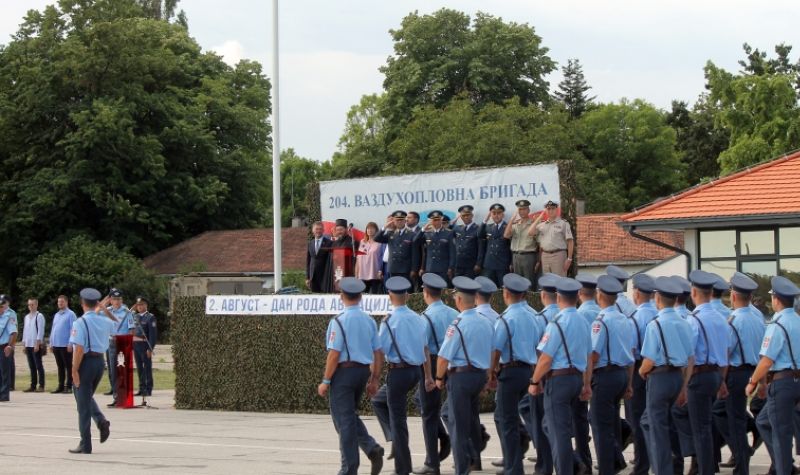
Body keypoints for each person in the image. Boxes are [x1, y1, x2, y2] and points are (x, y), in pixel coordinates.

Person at [318, 277, 385, 475]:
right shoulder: (369, 320)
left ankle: (349, 468)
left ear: (341, 296)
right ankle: (371, 448)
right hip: (362, 372)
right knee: (347, 416)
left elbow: (334, 354)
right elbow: (378, 352)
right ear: (361, 296)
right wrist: (374, 379)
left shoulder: (338, 321)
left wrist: (325, 380)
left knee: (344, 421)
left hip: (344, 374)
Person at [529, 276, 592, 475]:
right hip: (576, 378)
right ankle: (576, 463)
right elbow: (589, 357)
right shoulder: (583, 321)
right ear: (577, 296)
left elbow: (546, 359)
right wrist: (586, 383)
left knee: (559, 434)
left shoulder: (557, 322)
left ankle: (567, 469)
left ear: (558, 297)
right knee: (553, 425)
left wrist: (534, 380)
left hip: (559, 380)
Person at [672, 270, 729, 475]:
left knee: (700, 430)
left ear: (694, 292)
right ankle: (709, 466)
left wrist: (683, 386)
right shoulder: (721, 318)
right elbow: (725, 353)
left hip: (699, 376)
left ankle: (705, 470)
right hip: (714, 374)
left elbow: (689, 356)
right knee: (706, 424)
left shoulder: (693, 319)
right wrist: (721, 380)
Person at [435, 276, 494, 474]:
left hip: (461, 377)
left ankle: (462, 468)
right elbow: (491, 352)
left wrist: (438, 378)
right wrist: (487, 377)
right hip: (479, 376)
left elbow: (443, 358)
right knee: (470, 419)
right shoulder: (485, 322)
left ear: (459, 300)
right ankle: (473, 456)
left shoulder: (457, 325)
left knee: (458, 425)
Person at [638, 277, 695, 475]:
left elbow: (649, 360)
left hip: (660, 377)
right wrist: (684, 387)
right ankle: (676, 464)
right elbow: (690, 359)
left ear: (658, 298)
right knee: (665, 422)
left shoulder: (656, 324)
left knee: (657, 428)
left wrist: (641, 371)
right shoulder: (685, 322)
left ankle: (663, 469)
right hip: (677, 377)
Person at [712, 272, 764, 475]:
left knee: (734, 421)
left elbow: (726, 352)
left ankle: (742, 461)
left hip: (736, 372)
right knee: (727, 413)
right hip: (752, 370)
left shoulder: (734, 321)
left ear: (733, 296)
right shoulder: (758, 317)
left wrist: (721, 380)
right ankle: (746, 443)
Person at [378, 276, 431, 475]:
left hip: (398, 372)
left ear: (390, 296)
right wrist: (427, 376)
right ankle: (395, 442)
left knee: (398, 420)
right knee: (381, 401)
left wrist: (373, 376)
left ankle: (402, 467)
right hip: (415, 371)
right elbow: (425, 349)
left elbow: (380, 350)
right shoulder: (418, 318)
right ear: (407, 296)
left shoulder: (389, 321)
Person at [489, 273, 540, 475]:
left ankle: (513, 467)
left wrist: (491, 373)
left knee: (506, 420)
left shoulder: (506, 318)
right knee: (528, 414)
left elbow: (496, 349)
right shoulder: (533, 316)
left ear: (506, 293)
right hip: (528, 370)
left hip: (509, 372)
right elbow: (538, 347)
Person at [748, 276, 800, 475]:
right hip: (796, 381)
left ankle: (784, 469)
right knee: (764, 421)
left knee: (781, 434)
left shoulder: (777, 324)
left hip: (782, 382)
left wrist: (753, 382)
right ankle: (784, 465)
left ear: (776, 299)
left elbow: (767, 360)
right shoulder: (797, 321)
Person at [588, 275, 635, 475]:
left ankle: (608, 468)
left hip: (605, 375)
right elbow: (631, 354)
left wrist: (586, 381)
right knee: (612, 421)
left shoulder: (601, 321)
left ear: (599, 295)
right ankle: (615, 460)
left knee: (600, 425)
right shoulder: (624, 319)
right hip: (621, 374)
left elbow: (594, 355)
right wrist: (630, 382)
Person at [412, 273, 455, 475]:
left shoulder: (425, 317)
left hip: (434, 362)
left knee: (429, 414)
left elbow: (424, 350)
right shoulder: (454, 313)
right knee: (457, 411)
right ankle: (467, 453)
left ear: (425, 292)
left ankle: (432, 462)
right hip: (454, 364)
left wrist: (429, 376)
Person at [69, 288, 113, 454]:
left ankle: (85, 444)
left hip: (85, 364)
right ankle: (101, 421)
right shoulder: (105, 321)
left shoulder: (79, 323)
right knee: (85, 397)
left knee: (83, 406)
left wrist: (74, 370)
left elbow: (79, 349)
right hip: (99, 363)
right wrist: (102, 309)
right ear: (96, 304)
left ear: (82, 304)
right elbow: (114, 324)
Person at [627, 273, 659, 475]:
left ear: (636, 293)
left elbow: (631, 351)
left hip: (640, 368)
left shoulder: (635, 317)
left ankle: (641, 464)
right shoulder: (659, 313)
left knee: (637, 419)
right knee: (655, 418)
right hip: (659, 370)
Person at [102, 288, 134, 406]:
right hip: (109, 344)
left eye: (119, 299)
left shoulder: (127, 312)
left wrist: (128, 346)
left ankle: (123, 397)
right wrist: (104, 301)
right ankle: (116, 397)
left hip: (122, 344)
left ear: (122, 300)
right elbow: (94, 311)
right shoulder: (106, 311)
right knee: (112, 372)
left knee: (122, 371)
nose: (117, 302)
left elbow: (131, 330)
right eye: (114, 299)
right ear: (110, 300)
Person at [374, 210, 420, 282]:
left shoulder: (412, 234)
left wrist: (414, 269)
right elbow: (376, 238)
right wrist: (385, 227)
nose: (399, 222)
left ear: (405, 221)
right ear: (394, 221)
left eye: (401, 220)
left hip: (406, 269)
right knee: (393, 289)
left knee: (406, 290)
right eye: (397, 220)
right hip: (393, 267)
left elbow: (415, 254)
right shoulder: (390, 234)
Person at [531, 200, 574, 277]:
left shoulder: (563, 223)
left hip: (558, 255)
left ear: (557, 210)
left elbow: (570, 241)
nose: (551, 211)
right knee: (548, 282)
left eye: (553, 208)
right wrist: (540, 217)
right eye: (548, 209)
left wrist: (569, 259)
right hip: (545, 256)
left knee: (559, 282)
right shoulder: (542, 225)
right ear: (546, 211)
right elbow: (530, 232)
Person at [505, 199, 542, 283]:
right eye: (520, 209)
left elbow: (540, 245)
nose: (522, 211)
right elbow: (506, 235)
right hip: (515, 257)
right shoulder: (515, 224)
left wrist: (538, 261)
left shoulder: (534, 224)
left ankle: (529, 296)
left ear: (528, 210)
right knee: (517, 284)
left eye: (524, 209)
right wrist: (511, 220)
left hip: (528, 257)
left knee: (528, 282)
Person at [417, 211, 455, 285]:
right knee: (430, 289)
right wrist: (423, 229)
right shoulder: (427, 233)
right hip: (430, 267)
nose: (436, 222)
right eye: (434, 220)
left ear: (441, 219)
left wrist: (451, 267)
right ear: (430, 221)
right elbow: (415, 242)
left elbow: (452, 252)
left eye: (438, 219)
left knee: (442, 288)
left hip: (443, 267)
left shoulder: (449, 233)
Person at [478, 204, 512, 286]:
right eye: (494, 213)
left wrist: (511, 263)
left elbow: (511, 246)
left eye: (499, 213)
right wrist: (485, 220)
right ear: (491, 215)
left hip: (502, 264)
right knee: (488, 289)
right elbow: (479, 235)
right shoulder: (488, 227)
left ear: (502, 215)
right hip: (489, 264)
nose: (496, 216)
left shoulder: (507, 227)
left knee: (503, 289)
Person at [322, 219, 358, 293]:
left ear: (346, 229)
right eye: (338, 230)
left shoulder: (352, 242)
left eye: (341, 229)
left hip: (348, 273)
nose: (339, 232)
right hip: (336, 274)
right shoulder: (334, 243)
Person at [50, 295, 77, 393]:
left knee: (68, 366)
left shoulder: (71, 314)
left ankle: (69, 386)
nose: (60, 303)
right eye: (58, 302)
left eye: (62, 302)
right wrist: (51, 343)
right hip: (56, 344)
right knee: (60, 366)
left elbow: (73, 329)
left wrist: (71, 343)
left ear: (66, 302)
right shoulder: (57, 315)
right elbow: (53, 329)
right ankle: (60, 385)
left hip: (66, 345)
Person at [132, 296, 157, 398]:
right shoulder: (135, 317)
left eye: (142, 304)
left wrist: (150, 348)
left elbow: (153, 335)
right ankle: (141, 388)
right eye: (138, 305)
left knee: (147, 367)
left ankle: (148, 389)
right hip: (136, 345)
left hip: (144, 345)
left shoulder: (150, 317)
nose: (140, 306)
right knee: (139, 368)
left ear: (146, 305)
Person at [451, 205, 483, 279]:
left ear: (472, 215)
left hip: (471, 264)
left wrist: (478, 264)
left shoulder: (477, 228)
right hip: (458, 263)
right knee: (458, 285)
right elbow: (447, 233)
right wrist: (452, 222)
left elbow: (481, 248)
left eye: (468, 215)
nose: (466, 217)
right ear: (460, 216)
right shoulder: (457, 228)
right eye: (463, 215)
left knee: (469, 287)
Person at [22, 298, 46, 392]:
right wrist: (24, 344)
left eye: (32, 304)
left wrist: (37, 343)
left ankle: (41, 385)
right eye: (29, 305)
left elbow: (40, 331)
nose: (30, 306)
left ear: (36, 305)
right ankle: (33, 385)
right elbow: (25, 331)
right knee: (31, 366)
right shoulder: (26, 317)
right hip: (28, 344)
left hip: (35, 344)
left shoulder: (39, 316)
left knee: (38, 365)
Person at [356, 222, 385, 294]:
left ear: (376, 230)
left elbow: (382, 257)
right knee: (362, 296)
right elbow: (358, 259)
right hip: (362, 274)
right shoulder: (362, 242)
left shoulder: (380, 242)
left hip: (375, 274)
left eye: (372, 228)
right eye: (368, 228)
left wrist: (381, 271)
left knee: (375, 296)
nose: (370, 230)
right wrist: (356, 273)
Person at [0, 294, 18, 401]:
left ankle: (4, 395)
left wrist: (10, 346)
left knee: (5, 372)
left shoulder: (10, 315)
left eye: (2, 305)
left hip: (4, 346)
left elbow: (13, 332)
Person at [306, 221, 331, 292]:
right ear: (313, 230)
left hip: (325, 276)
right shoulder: (310, 243)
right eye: (316, 229)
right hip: (313, 277)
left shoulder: (329, 243)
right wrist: (307, 277)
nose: (318, 231)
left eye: (320, 229)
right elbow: (308, 261)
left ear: (323, 230)